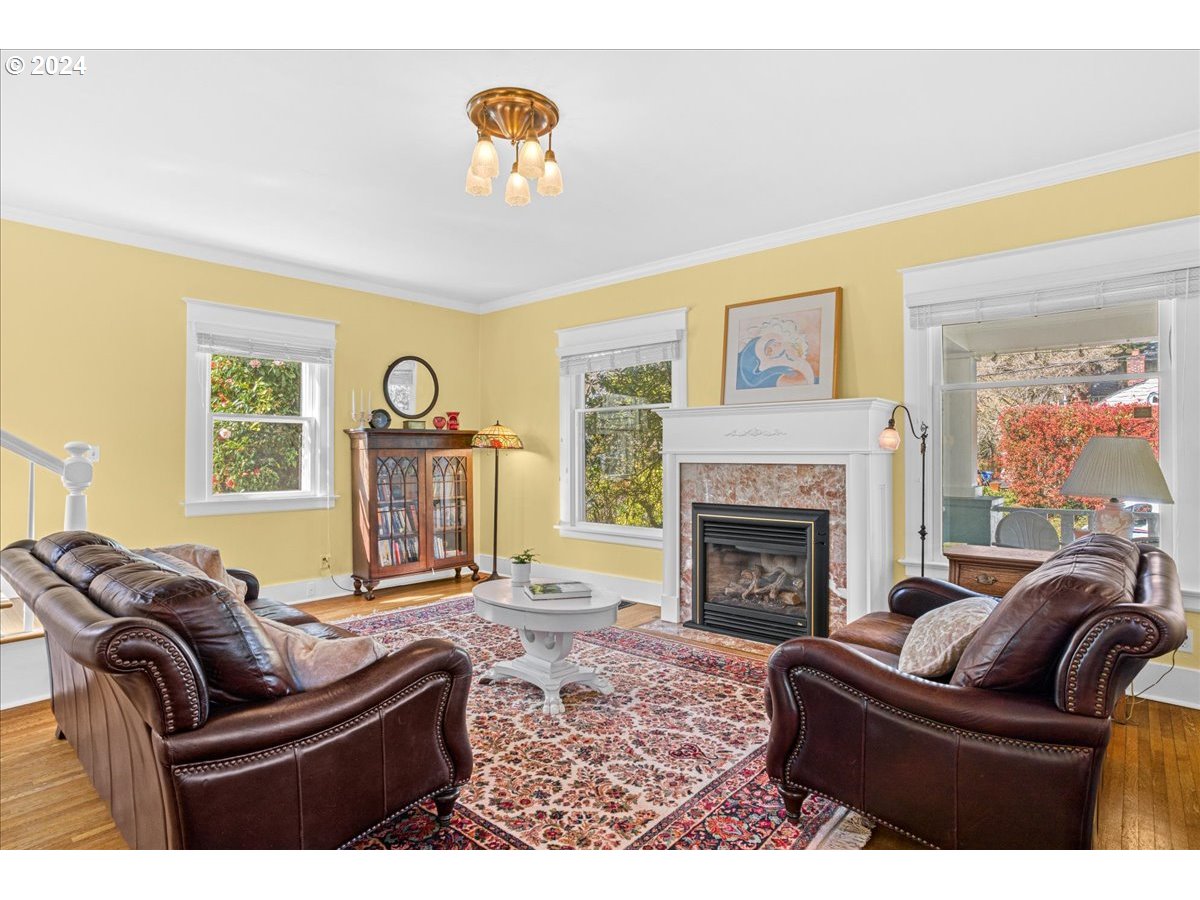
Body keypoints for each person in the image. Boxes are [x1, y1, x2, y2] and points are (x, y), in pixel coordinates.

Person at [735, 316, 817, 389]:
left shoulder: (783, 369)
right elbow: (752, 380)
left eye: (788, 356)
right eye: (775, 344)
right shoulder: (751, 351)